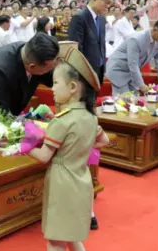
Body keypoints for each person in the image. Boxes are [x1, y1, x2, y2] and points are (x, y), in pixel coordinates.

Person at [28, 47, 110, 251]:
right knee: (72, 236)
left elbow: (44, 156)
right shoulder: (91, 117)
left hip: (61, 183)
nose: (52, 88)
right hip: (81, 179)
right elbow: (104, 140)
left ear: (73, 87)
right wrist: (78, 148)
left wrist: (22, 145)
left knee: (55, 240)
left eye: (55, 83)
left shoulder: (62, 121)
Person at [105, 17, 158, 96]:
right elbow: (133, 64)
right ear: (155, 29)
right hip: (118, 70)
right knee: (124, 99)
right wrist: (141, 85)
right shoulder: (136, 39)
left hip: (131, 72)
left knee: (135, 99)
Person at [68, 0, 109, 83]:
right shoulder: (79, 18)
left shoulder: (102, 19)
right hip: (85, 72)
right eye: (106, 2)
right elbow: (77, 49)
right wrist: (84, 71)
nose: (108, 6)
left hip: (99, 69)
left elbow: (101, 44)